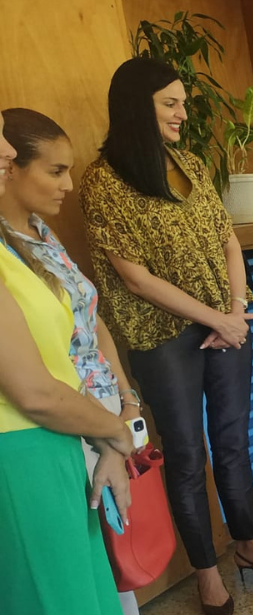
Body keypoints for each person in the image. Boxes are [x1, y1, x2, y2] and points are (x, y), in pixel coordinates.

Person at [77, 57, 253, 613]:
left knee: (232, 441)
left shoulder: (190, 162)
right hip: (162, 337)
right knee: (185, 454)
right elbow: (134, 276)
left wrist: (232, 309)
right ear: (137, 106)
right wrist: (217, 320)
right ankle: (207, 572)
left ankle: (249, 544)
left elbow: (228, 240)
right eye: (170, 103)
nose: (183, 112)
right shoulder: (102, 183)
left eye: (182, 101)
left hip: (223, 324)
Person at [0, 107, 142, 614]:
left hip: (86, 425)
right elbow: (36, 387)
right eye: (55, 170)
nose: (68, 183)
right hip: (46, 434)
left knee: (97, 583)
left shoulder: (42, 234)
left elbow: (89, 319)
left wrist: (124, 407)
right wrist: (112, 433)